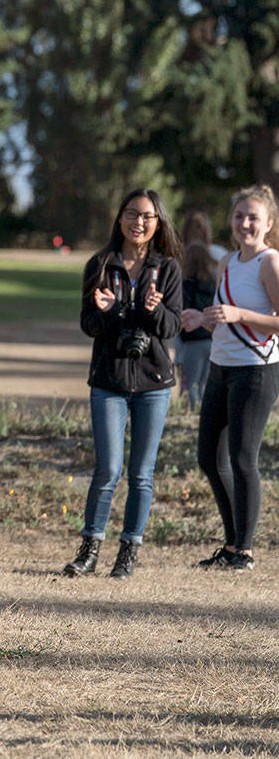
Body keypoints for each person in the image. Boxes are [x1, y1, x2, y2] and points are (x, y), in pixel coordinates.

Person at [64, 189, 182, 580]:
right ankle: (89, 550)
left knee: (142, 474)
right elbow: (89, 326)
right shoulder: (100, 264)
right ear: (120, 218)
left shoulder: (168, 269)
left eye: (147, 216)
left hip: (154, 382)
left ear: (158, 223)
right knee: (107, 469)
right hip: (109, 379)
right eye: (132, 214)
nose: (139, 222)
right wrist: (108, 311)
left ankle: (128, 553)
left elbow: (172, 327)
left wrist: (154, 310)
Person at [183, 184, 279, 572]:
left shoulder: (269, 262)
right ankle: (231, 544)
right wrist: (201, 319)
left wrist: (240, 315)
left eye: (253, 217)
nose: (245, 223)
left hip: (256, 371)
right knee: (209, 457)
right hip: (221, 368)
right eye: (239, 216)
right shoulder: (228, 263)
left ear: (268, 223)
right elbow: (221, 316)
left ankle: (245, 550)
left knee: (242, 459)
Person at [177, 211, 219, 410]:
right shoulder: (214, 281)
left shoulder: (184, 283)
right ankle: (202, 412)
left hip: (192, 341)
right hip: (211, 338)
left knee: (187, 383)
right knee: (204, 382)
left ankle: (188, 413)